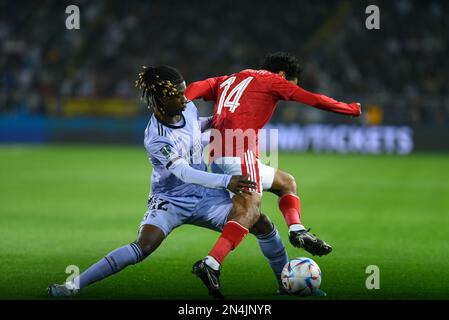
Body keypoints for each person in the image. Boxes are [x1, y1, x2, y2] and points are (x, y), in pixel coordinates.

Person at [47, 65, 289, 300]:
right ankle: (72, 286)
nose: (186, 98)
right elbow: (183, 172)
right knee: (144, 245)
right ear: (161, 100)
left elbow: (197, 125)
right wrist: (226, 180)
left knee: (261, 223)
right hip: (171, 200)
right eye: (179, 95)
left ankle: (286, 283)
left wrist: (218, 121)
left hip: (205, 196)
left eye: (184, 92)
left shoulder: (188, 108)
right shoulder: (157, 139)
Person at [186, 52, 362, 295]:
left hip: (216, 155)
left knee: (285, 184)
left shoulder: (229, 79)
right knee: (249, 210)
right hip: (239, 153)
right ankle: (211, 263)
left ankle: (295, 233)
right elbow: (313, 99)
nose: (287, 91)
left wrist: (181, 103)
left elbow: (196, 86)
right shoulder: (272, 80)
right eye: (290, 84)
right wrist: (350, 109)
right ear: (282, 75)